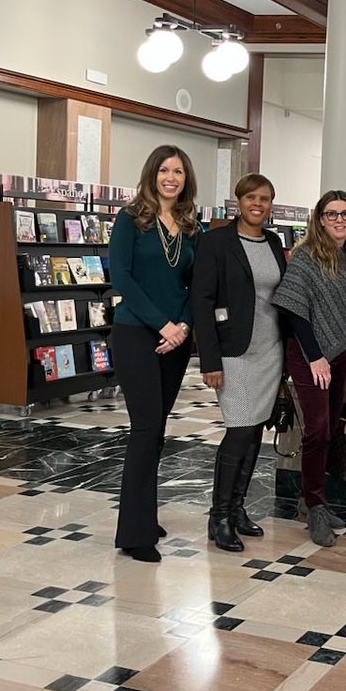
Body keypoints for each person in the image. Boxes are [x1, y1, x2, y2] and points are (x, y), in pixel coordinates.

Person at [110, 145, 199, 563]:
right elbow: (122, 276)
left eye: (178, 171)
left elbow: (195, 284)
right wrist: (161, 324)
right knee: (145, 429)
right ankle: (134, 532)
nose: (170, 177)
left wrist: (181, 326)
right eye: (164, 170)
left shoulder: (189, 224)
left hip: (175, 340)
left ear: (186, 179)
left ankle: (144, 512)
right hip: (135, 333)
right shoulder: (130, 220)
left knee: (158, 430)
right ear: (152, 174)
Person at [190, 174, 286, 553]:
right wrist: (209, 360)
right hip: (234, 353)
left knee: (255, 431)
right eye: (250, 197)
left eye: (264, 198)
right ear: (238, 201)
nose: (257, 204)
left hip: (270, 350)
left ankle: (239, 509)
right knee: (239, 431)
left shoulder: (275, 242)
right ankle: (219, 517)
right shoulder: (215, 243)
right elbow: (202, 301)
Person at [272, 190, 346, 548]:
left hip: (341, 354)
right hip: (308, 353)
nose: (339, 220)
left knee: (329, 430)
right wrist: (316, 357)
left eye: (345, 214)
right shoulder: (306, 257)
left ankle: (314, 498)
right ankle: (313, 504)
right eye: (331, 214)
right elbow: (294, 309)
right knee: (316, 429)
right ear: (320, 219)